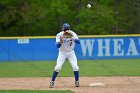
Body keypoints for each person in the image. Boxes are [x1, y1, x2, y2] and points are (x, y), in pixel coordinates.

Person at [49, 23, 80, 88]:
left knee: (75, 67)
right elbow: (57, 46)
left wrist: (72, 37)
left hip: (71, 53)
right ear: (63, 29)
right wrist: (61, 41)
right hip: (62, 53)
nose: (66, 30)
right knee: (57, 67)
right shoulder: (59, 35)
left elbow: (78, 42)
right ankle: (52, 81)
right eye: (65, 29)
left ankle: (77, 81)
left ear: (69, 29)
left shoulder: (72, 33)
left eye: (67, 29)